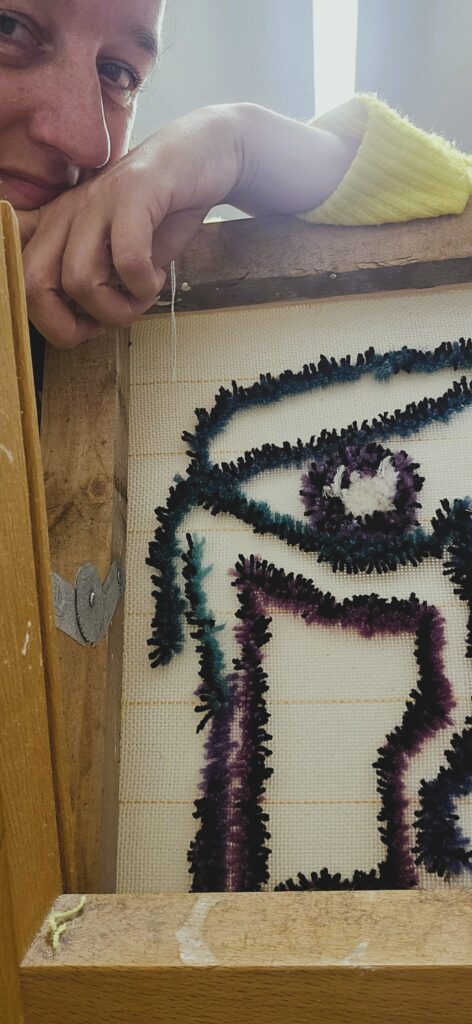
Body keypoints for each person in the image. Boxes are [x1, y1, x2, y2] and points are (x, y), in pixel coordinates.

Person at [2, 0, 472, 350]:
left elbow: (452, 206)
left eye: (118, 73)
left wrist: (238, 142)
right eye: (9, 28)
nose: (87, 140)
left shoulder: (145, 271)